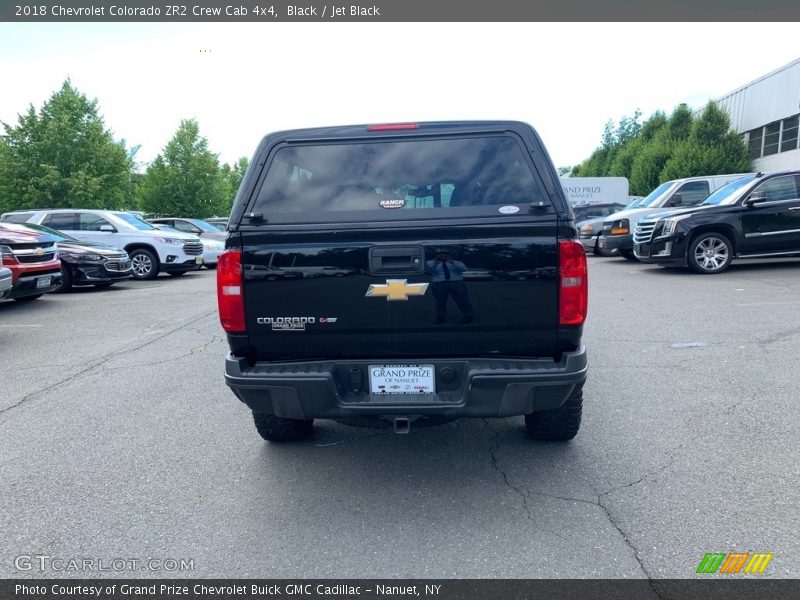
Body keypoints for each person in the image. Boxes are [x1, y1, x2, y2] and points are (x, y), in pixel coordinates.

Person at [425, 254, 474, 324]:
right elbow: (428, 272)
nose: (443, 257)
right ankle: (440, 318)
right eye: (440, 255)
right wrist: (435, 264)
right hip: (439, 284)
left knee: (462, 300)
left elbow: (465, 269)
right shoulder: (429, 262)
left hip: (457, 282)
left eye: (445, 255)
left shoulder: (457, 262)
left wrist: (453, 262)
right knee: (440, 302)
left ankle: (468, 316)